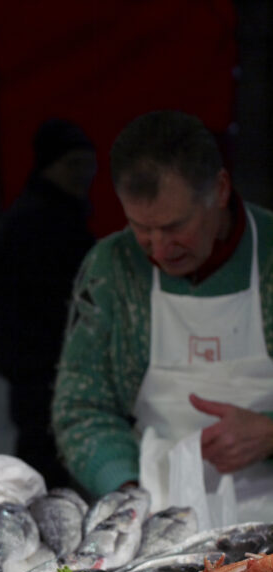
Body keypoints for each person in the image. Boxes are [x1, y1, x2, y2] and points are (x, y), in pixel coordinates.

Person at [53, 110, 273, 520]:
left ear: (220, 190)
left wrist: (269, 433)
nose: (158, 248)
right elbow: (81, 408)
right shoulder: (112, 268)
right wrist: (129, 492)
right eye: (142, 228)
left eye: (175, 227)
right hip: (157, 517)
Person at [0, 118, 97, 488]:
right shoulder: (33, 221)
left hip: (54, 367)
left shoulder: (65, 215)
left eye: (88, 164)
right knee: (44, 467)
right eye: (73, 164)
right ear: (49, 165)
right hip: (42, 370)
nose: (83, 174)